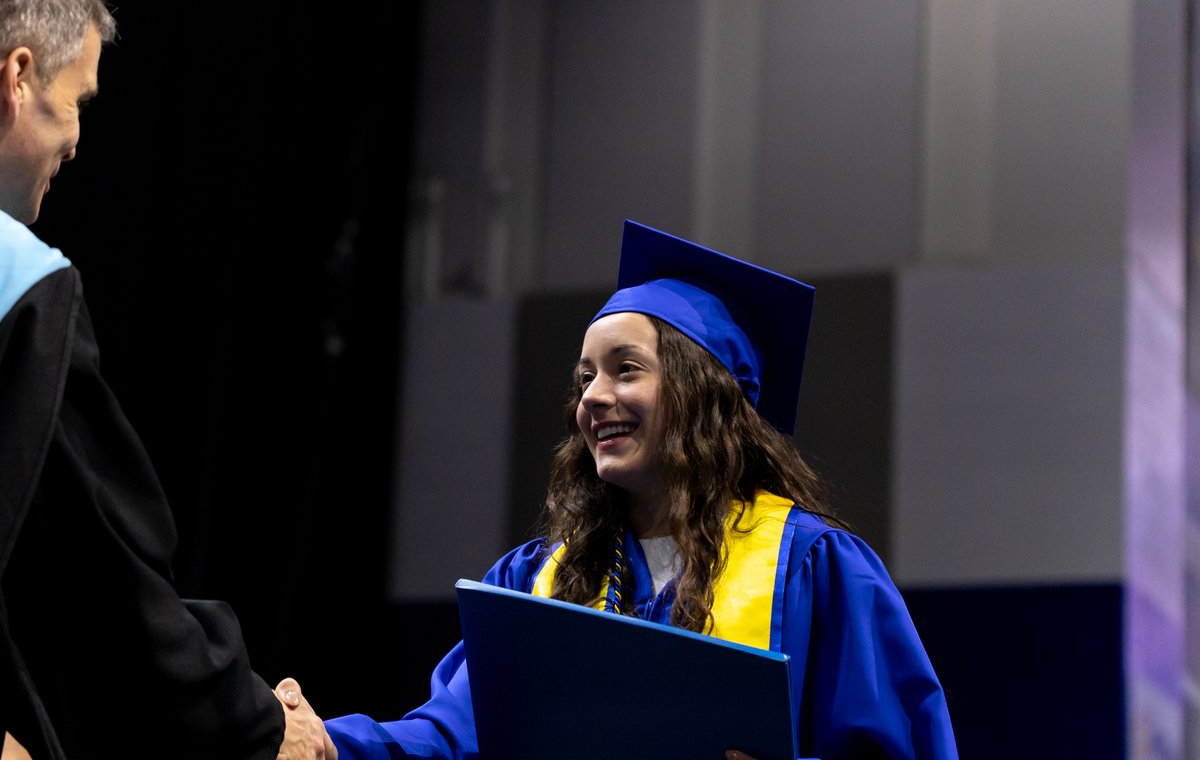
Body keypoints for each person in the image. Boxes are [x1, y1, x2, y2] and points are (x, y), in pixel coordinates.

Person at [323, 219, 959, 759]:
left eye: (626, 370)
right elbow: (449, 737)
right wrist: (321, 744)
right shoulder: (536, 580)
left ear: (705, 396)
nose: (594, 398)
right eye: (584, 378)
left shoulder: (814, 569)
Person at [0, 0, 336, 757]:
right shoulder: (19, 285)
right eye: (77, 102)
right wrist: (255, 724)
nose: (77, 143)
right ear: (17, 74)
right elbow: (103, 575)